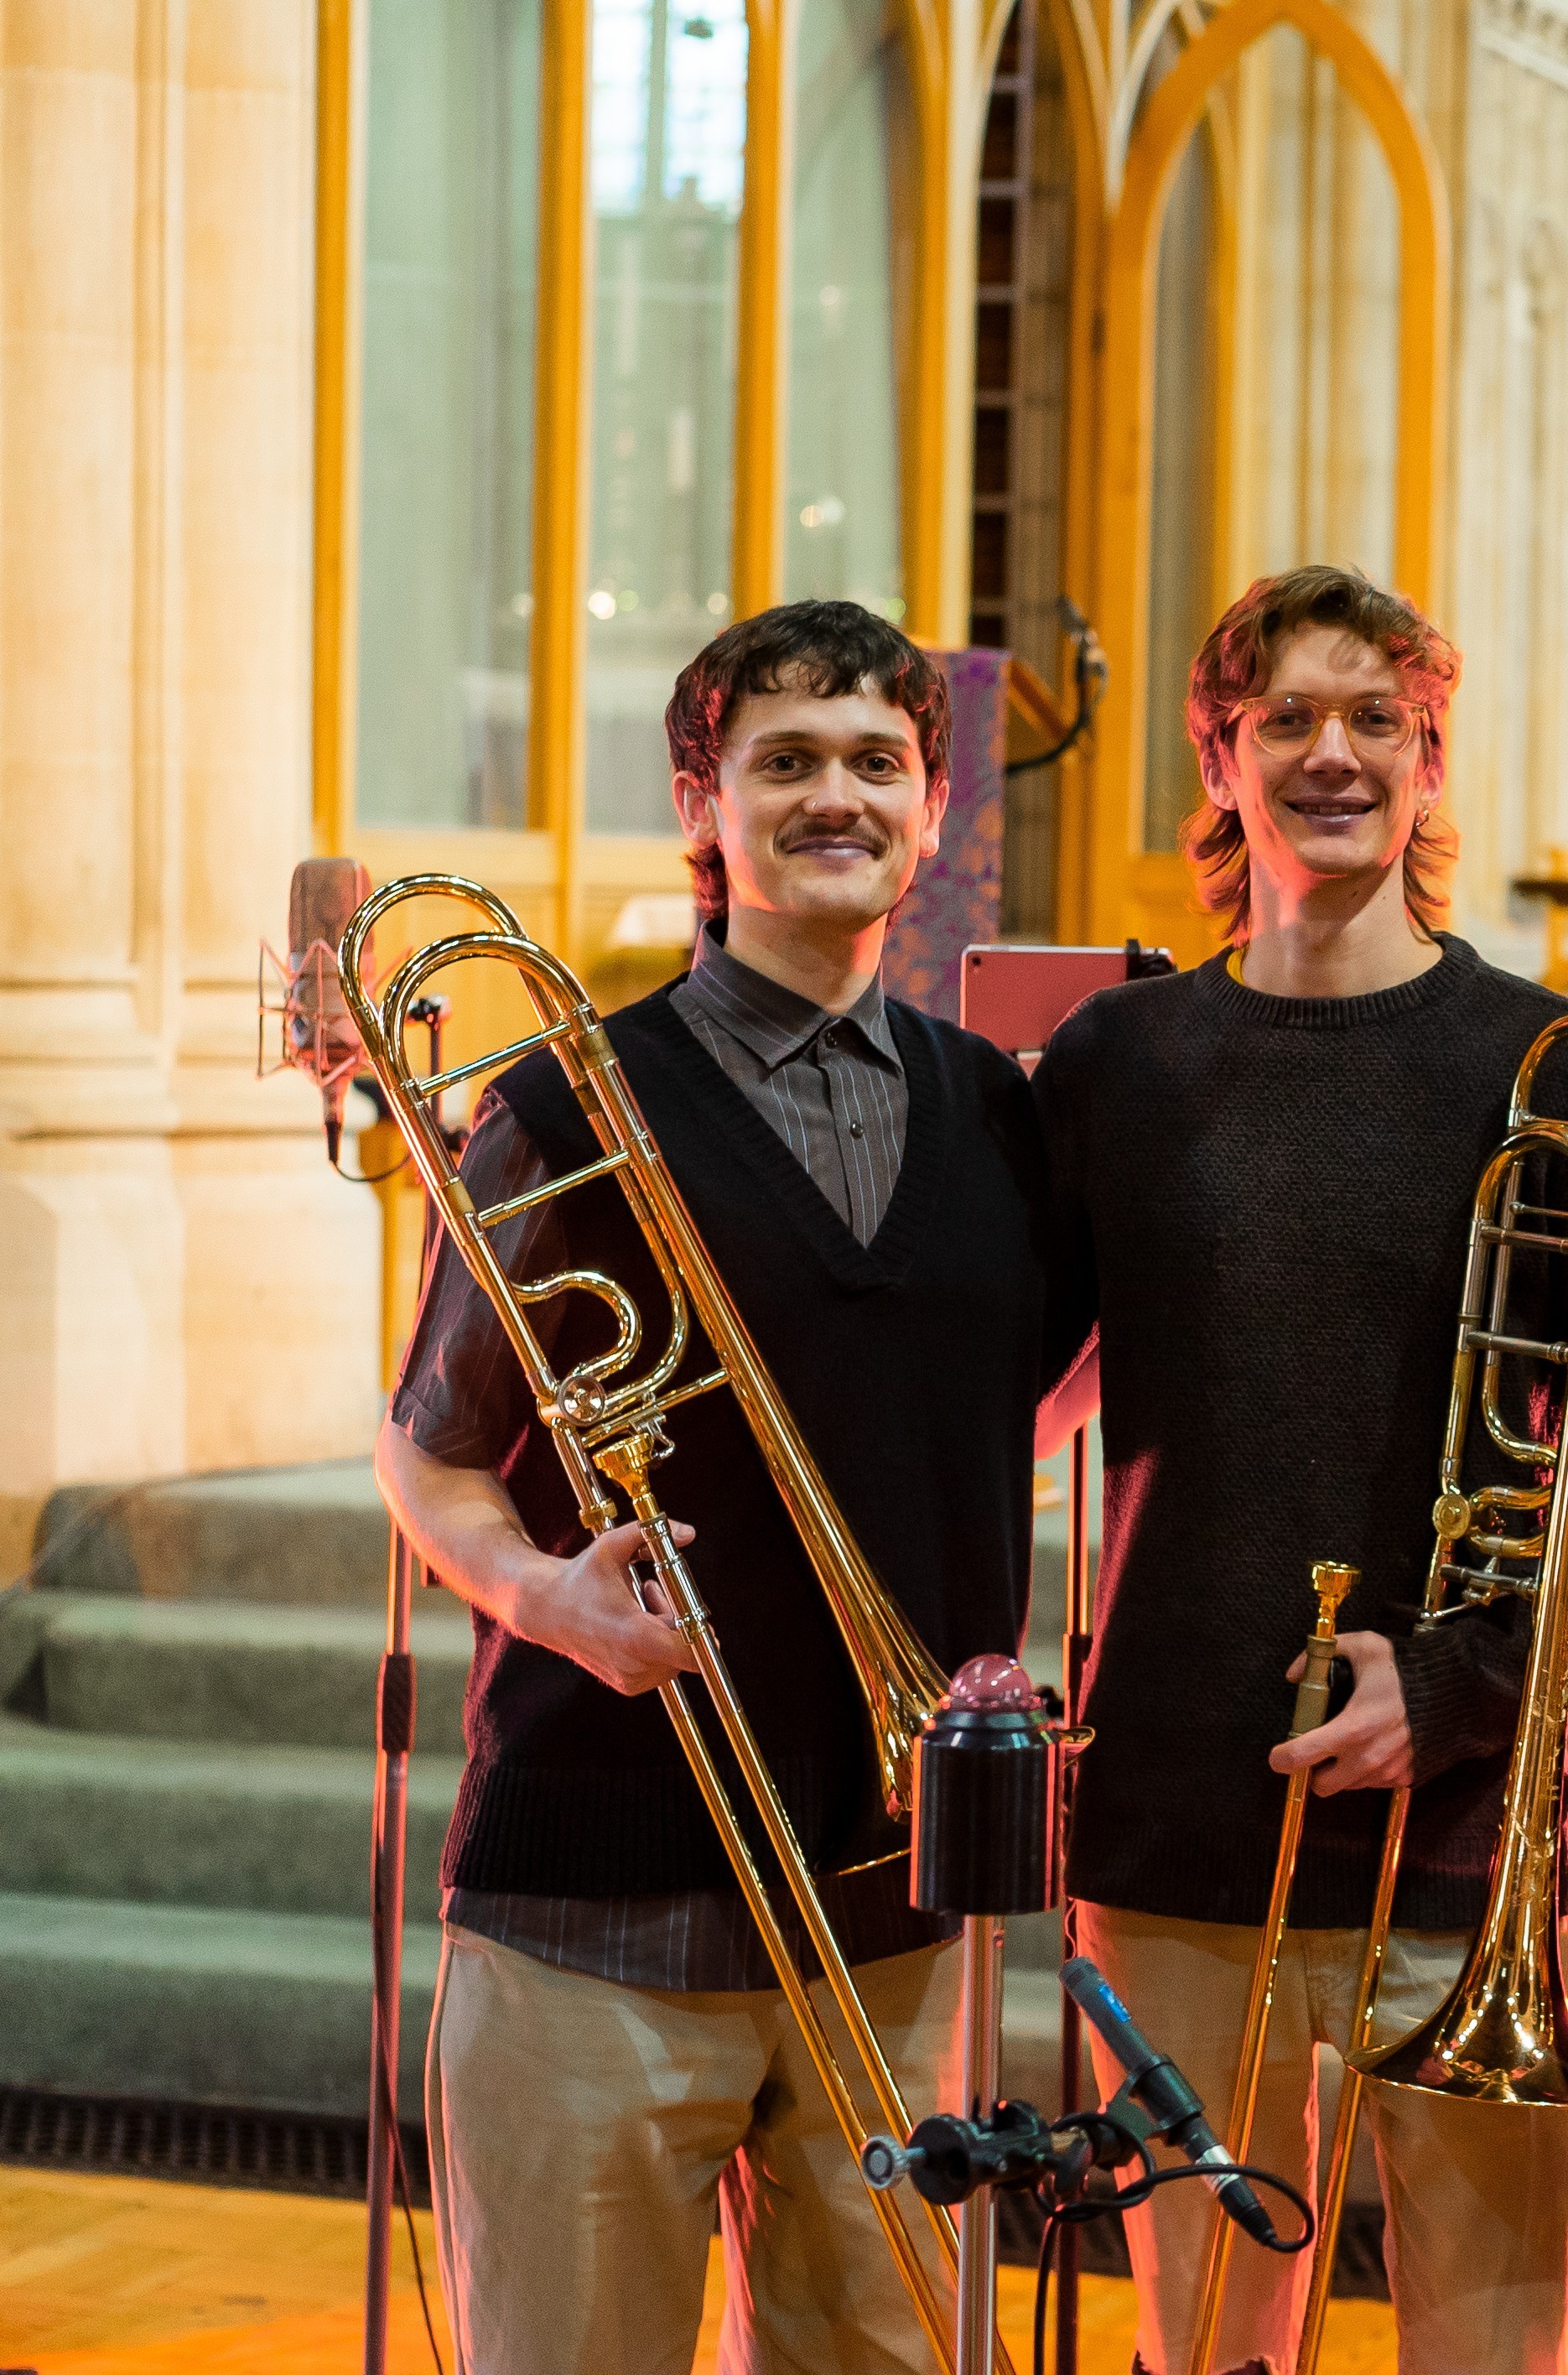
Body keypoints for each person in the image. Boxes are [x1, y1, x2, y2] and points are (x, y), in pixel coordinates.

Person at [376, 599, 1078, 2374]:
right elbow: (433, 1449)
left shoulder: (999, 1114)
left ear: (931, 810)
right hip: (592, 1905)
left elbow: (1035, 1389)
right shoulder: (564, 1101)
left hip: (893, 1922)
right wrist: (542, 1598)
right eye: (783, 761)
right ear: (701, 806)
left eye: (874, 763)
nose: (833, 796)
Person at [1036, 564, 1568, 2375]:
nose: (1332, 755)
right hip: (1174, 1825)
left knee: (1489, 2355)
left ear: (1427, 754)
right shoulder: (1116, 1062)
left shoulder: (1553, 1065)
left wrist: (1465, 1687)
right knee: (1204, 2353)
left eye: (1372, 719)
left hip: (1458, 1828)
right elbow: (987, 1370)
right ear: (1218, 756)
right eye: (1286, 721)